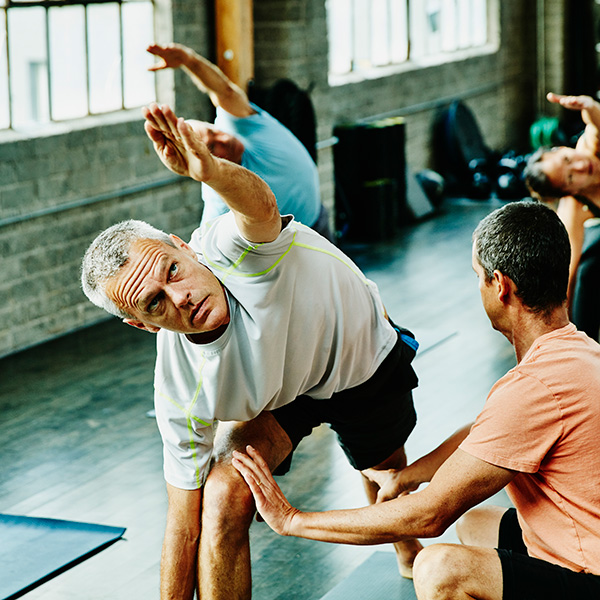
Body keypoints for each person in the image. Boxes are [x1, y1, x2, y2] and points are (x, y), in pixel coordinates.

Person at [80, 103, 422, 599]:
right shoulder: (179, 388)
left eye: (172, 271)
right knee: (221, 499)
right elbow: (184, 524)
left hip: (357, 356)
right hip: (282, 389)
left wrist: (211, 172)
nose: (181, 297)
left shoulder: (229, 246)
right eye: (155, 302)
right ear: (142, 325)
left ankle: (406, 552)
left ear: (185, 247)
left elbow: (259, 207)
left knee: (385, 475)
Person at [233, 199, 600, 600]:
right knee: (475, 524)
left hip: (591, 574)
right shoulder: (577, 352)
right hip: (581, 539)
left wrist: (293, 520)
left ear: (500, 285)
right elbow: (486, 435)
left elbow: (430, 516)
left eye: (477, 276)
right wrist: (405, 477)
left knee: (439, 569)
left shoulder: (535, 385)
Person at [146, 42, 333, 241]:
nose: (224, 139)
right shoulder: (219, 200)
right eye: (212, 147)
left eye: (213, 131)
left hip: (318, 218)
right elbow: (207, 250)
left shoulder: (238, 123)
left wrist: (189, 60)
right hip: (296, 246)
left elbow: (223, 90)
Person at [524, 92, 600, 341]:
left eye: (568, 158)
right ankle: (583, 355)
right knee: (589, 271)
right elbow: (568, 274)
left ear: (563, 148)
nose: (580, 166)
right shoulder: (575, 209)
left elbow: (595, 126)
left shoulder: (591, 148)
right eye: (570, 178)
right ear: (568, 191)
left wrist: (589, 107)